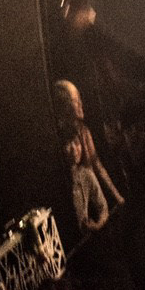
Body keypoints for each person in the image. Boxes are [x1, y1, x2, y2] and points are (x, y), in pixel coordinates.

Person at [52, 79, 125, 236]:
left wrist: (117, 197)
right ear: (65, 106)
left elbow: (97, 166)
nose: (80, 104)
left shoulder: (83, 132)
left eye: (80, 99)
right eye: (76, 100)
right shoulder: (57, 138)